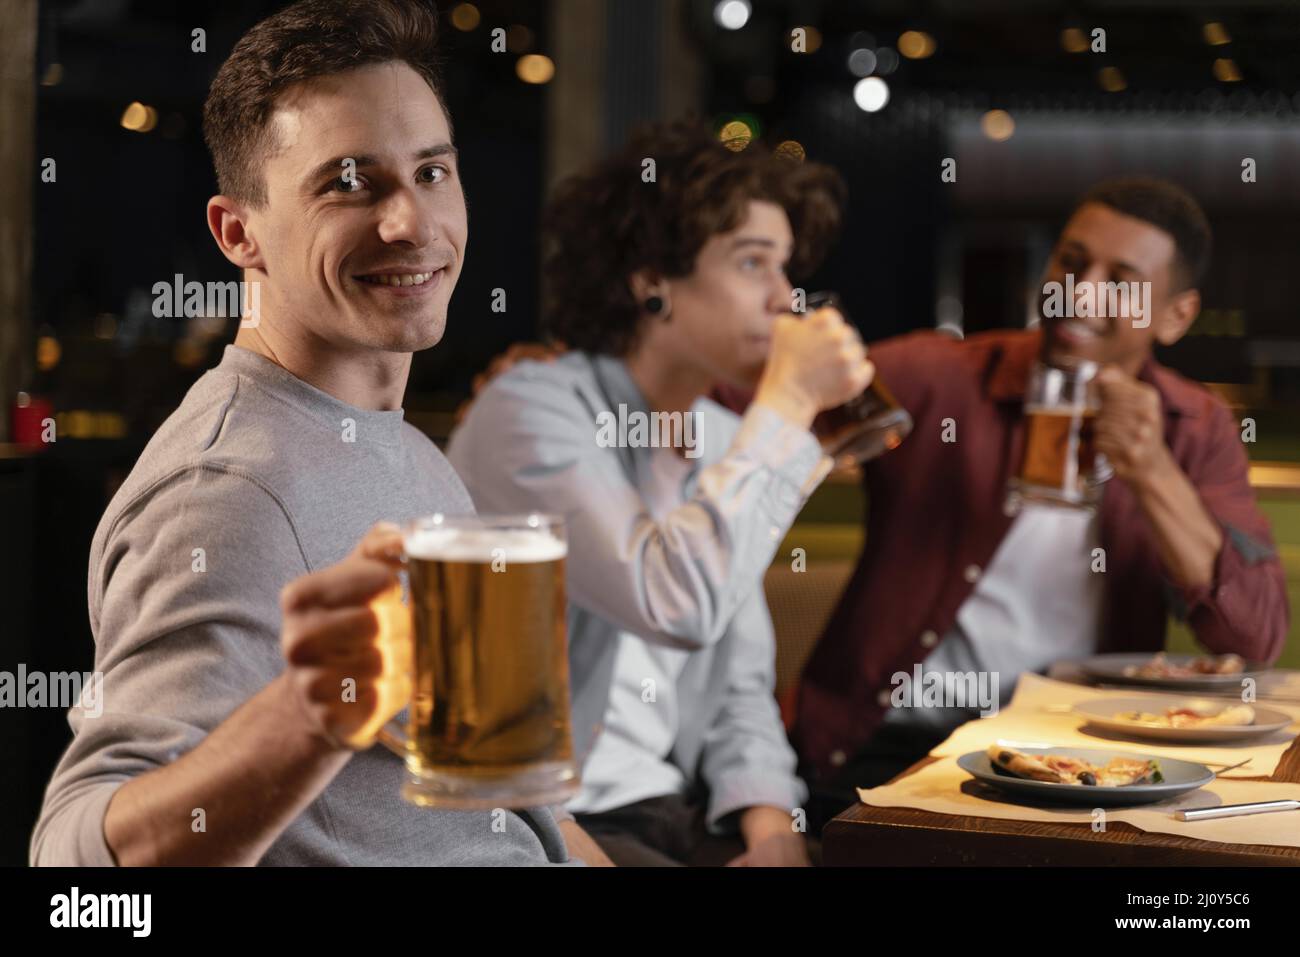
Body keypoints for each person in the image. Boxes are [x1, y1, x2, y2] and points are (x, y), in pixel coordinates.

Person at [30, 0, 608, 867]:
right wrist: (308, 721)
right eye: (349, 182)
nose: (412, 223)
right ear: (238, 232)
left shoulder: (410, 454)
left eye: (432, 173)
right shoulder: (226, 489)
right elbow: (73, 870)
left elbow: (531, 815)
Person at [794, 177, 1289, 822]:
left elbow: (1253, 634)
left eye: (1121, 280)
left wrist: (1150, 469)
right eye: (1072, 262)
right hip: (886, 751)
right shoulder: (941, 377)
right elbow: (749, 403)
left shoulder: (1194, 426)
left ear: (1175, 316)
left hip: (1081, 767)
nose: (1079, 293)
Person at [447, 121, 873, 866]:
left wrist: (774, 828)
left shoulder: (718, 437)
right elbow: (673, 597)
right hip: (546, 818)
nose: (785, 298)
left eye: (786, 268)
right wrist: (788, 406)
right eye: (752, 263)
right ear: (652, 284)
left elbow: (741, 682)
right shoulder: (531, 410)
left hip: (673, 810)